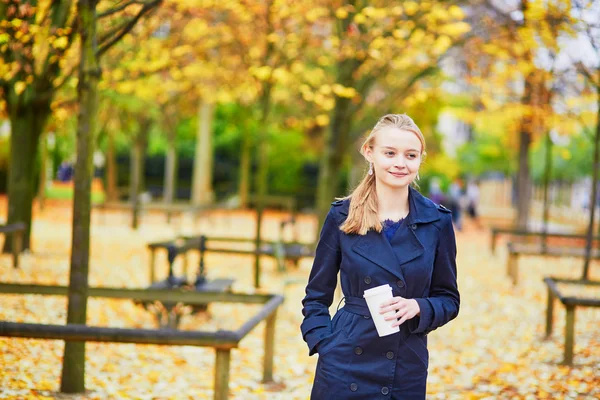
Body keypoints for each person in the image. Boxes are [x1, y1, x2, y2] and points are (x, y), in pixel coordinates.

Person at [301, 114, 460, 399]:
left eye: (410, 155)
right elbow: (316, 294)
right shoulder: (342, 215)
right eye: (390, 153)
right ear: (369, 152)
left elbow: (448, 298)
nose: (400, 163)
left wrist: (419, 307)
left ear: (420, 159)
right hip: (344, 361)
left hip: (404, 363)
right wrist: (323, 342)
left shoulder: (437, 221)